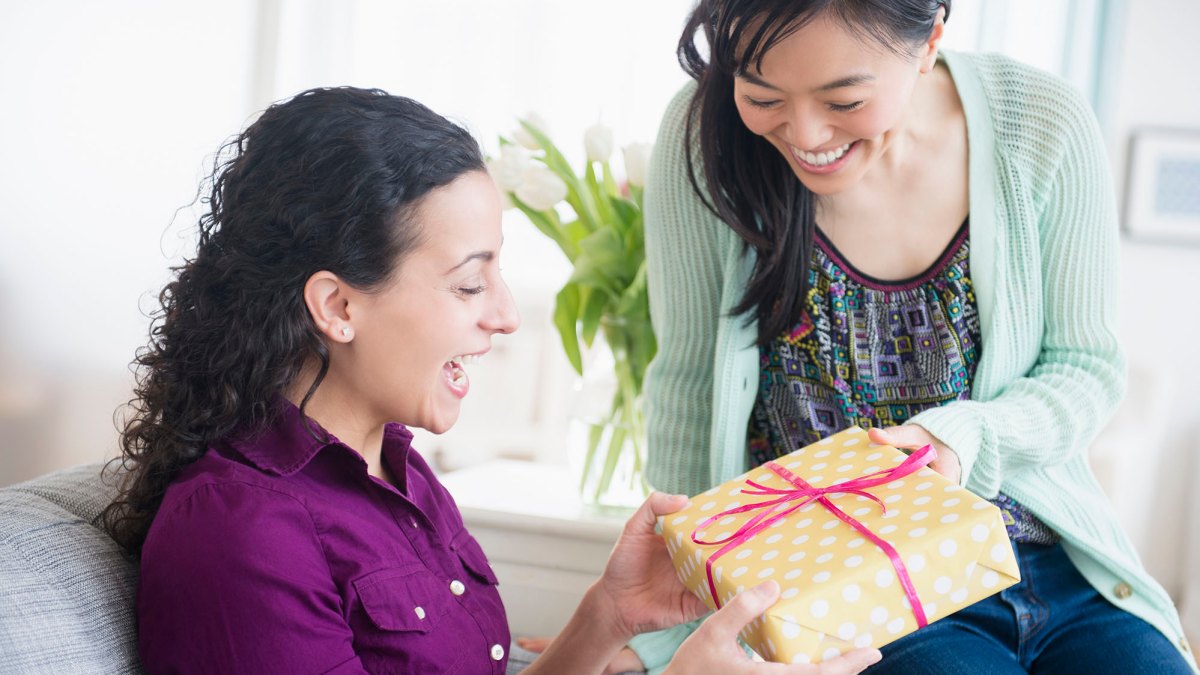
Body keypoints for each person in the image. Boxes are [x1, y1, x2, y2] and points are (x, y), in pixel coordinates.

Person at [99, 86, 883, 675]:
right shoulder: (239, 531)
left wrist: (602, 618)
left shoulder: (397, 472)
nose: (506, 316)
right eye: (470, 285)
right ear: (337, 305)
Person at [618, 0, 1198, 672]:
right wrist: (661, 641)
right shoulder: (704, 137)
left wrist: (963, 439)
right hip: (853, 589)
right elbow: (686, 392)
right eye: (763, 94)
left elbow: (1085, 368)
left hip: (1054, 566)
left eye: (844, 98)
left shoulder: (1041, 123)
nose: (804, 132)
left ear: (928, 45)